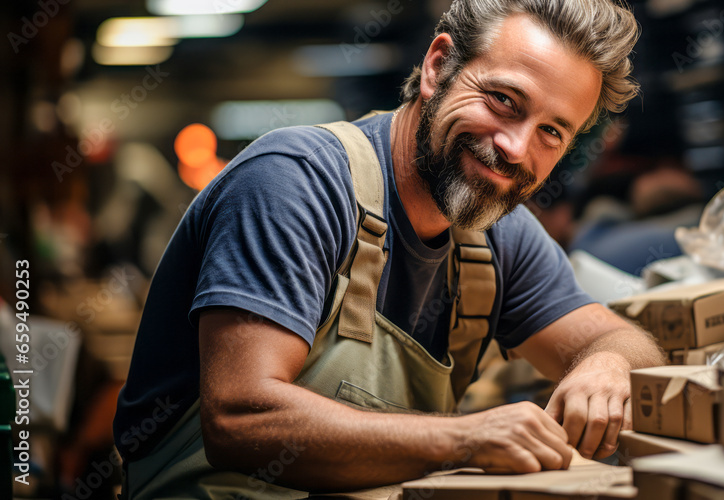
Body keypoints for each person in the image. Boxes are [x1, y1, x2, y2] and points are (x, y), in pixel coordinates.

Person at [113, 0, 663, 497]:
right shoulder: (294, 184)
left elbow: (621, 338)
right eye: (503, 100)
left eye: (552, 132)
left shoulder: (497, 232)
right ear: (437, 67)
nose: (514, 148)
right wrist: (464, 439)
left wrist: (608, 363)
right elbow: (241, 421)